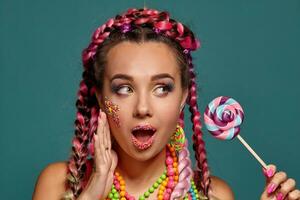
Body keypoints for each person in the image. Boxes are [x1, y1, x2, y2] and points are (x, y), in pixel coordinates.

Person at [32, 8, 300, 200]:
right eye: (123, 89)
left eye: (162, 88)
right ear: (102, 99)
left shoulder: (214, 195)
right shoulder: (58, 185)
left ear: (183, 97)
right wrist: (93, 192)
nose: (142, 108)